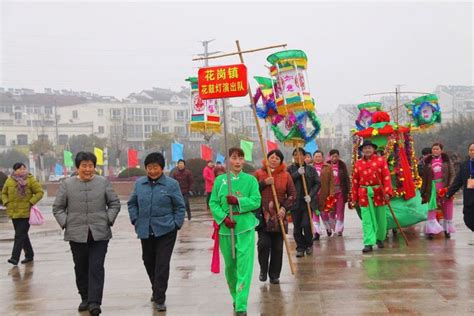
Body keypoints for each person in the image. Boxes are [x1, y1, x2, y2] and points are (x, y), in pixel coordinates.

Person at [52, 152, 121, 316]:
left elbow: (114, 203)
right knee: (81, 267)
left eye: (91, 165)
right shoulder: (67, 185)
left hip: (100, 233)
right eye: (84, 165)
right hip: (76, 233)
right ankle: (85, 297)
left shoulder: (103, 182)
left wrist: (108, 219)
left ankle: (95, 302)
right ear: (77, 167)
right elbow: (58, 208)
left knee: (96, 267)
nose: (88, 169)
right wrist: (66, 223)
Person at [128, 152, 186, 312]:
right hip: (145, 229)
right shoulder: (140, 184)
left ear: (162, 168)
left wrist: (176, 224)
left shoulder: (171, 184)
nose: (152, 171)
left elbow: (179, 206)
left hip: (166, 229)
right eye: (149, 168)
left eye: (155, 167)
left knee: (162, 263)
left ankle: (160, 298)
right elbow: (132, 203)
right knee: (148, 260)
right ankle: (156, 287)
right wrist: (135, 219)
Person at [209, 147, 261, 316]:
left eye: (240, 158)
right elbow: (213, 203)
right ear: (228, 160)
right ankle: (235, 296)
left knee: (244, 266)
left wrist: (238, 201)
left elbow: (256, 201)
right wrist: (224, 218)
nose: (237, 161)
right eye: (234, 158)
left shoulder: (251, 180)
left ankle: (241, 305)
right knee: (230, 267)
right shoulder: (220, 181)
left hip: (245, 226)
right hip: (226, 228)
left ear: (244, 160)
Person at [254, 149, 296, 284]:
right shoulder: (259, 173)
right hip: (263, 216)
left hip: (279, 217)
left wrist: (284, 208)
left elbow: (292, 195)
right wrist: (264, 183)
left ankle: (274, 274)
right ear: (267, 159)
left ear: (281, 161)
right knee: (263, 244)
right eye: (271, 157)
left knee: (278, 248)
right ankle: (263, 270)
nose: (274, 160)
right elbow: (251, 190)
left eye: (277, 158)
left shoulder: (286, 175)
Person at [350, 140, 393, 254]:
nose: (367, 150)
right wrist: (354, 197)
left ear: (373, 149)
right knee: (366, 220)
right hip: (364, 193)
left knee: (380, 218)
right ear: (362, 150)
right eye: (365, 148)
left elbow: (386, 177)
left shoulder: (381, 161)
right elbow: (355, 181)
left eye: (369, 148)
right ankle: (368, 242)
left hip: (379, 193)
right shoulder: (358, 163)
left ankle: (380, 238)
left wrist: (388, 192)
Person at [2, 162, 44, 265]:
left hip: (26, 212)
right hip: (13, 212)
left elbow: (40, 192)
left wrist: (31, 202)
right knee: (22, 235)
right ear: (14, 170)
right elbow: (3, 193)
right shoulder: (10, 180)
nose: (22, 170)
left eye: (23, 168)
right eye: (19, 169)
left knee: (19, 235)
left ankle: (14, 258)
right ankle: (29, 255)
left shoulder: (30, 179)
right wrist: (6, 202)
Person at [288, 147, 321, 257]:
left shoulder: (311, 169)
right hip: (295, 202)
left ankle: (308, 244)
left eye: (300, 154)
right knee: (297, 226)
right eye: (295, 154)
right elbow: (287, 182)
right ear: (293, 157)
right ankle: (300, 247)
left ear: (304, 156)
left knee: (306, 225)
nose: (298, 156)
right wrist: (297, 173)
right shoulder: (290, 169)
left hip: (307, 202)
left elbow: (317, 183)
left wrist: (311, 195)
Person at [420, 143, 455, 239]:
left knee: (447, 208)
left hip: (444, 187)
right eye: (434, 149)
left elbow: (452, 174)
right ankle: (431, 231)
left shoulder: (447, 161)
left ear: (441, 150)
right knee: (432, 209)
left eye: (437, 149)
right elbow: (425, 178)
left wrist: (450, 187)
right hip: (432, 188)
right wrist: (423, 191)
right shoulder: (427, 162)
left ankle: (447, 230)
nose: (435, 151)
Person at [446, 143, 474, 245]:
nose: (472, 152)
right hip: (469, 197)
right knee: (468, 219)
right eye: (470, 150)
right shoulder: (465, 165)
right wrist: (448, 194)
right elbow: (458, 181)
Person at [312, 150, 335, 239]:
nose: (318, 158)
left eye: (319, 156)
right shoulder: (310, 168)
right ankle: (316, 232)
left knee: (324, 214)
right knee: (315, 213)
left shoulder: (328, 167)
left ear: (323, 157)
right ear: (313, 158)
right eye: (316, 156)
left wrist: (331, 194)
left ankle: (328, 228)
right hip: (313, 195)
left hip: (324, 195)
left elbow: (331, 182)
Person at [328, 149, 351, 236]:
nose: (334, 158)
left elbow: (346, 179)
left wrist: (348, 190)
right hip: (330, 193)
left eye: (336, 156)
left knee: (340, 210)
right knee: (331, 211)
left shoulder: (342, 165)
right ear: (330, 157)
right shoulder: (326, 165)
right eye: (333, 156)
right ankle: (333, 226)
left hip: (340, 192)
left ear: (338, 156)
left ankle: (339, 229)